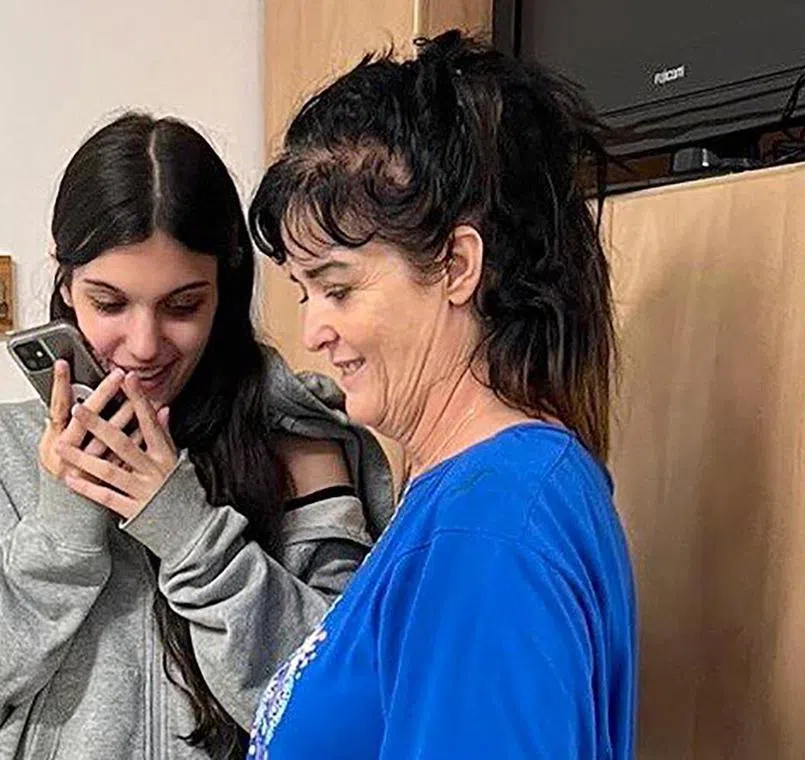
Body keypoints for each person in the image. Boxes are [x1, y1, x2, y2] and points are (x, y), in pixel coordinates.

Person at [0, 112, 394, 760]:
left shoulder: (299, 442)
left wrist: (190, 535)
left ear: (224, 291)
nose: (142, 346)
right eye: (109, 304)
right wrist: (59, 534)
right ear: (64, 284)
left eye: (182, 306)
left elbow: (345, 719)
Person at [245, 30, 637, 759]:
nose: (315, 332)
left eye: (337, 287)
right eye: (304, 294)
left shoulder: (490, 529)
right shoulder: (471, 496)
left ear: (457, 265)